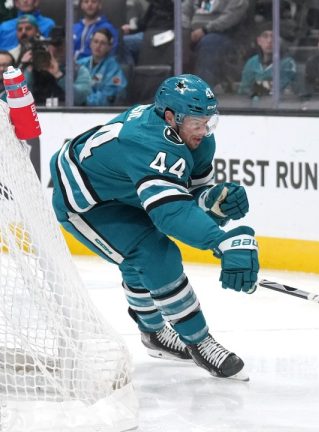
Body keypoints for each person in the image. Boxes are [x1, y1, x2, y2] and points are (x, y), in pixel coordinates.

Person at [49, 74, 259, 381]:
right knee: (154, 253)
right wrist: (220, 241)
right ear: (171, 117)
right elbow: (171, 213)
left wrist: (214, 201)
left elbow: (190, 192)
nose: (204, 131)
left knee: (142, 257)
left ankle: (154, 335)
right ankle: (198, 340)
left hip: (121, 186)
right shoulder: (148, 143)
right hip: (85, 201)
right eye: (196, 124)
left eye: (209, 122)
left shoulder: (190, 135)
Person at [182, 0, 249, 90]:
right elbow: (182, 11)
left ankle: (202, 92)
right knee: (172, 41)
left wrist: (205, 30)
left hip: (224, 34)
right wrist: (186, 29)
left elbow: (230, 17)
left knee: (210, 43)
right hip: (192, 32)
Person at [237, 22, 297, 104]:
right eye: (265, 36)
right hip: (253, 108)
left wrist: (255, 88)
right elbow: (244, 90)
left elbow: (279, 87)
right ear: (259, 41)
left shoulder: (288, 63)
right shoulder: (252, 62)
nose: (269, 41)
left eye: (273, 36)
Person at [77, 28, 127, 106]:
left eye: (103, 43)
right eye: (95, 41)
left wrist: (81, 100)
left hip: (100, 112)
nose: (98, 46)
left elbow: (107, 97)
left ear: (109, 47)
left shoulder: (114, 68)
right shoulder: (80, 63)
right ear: (90, 44)